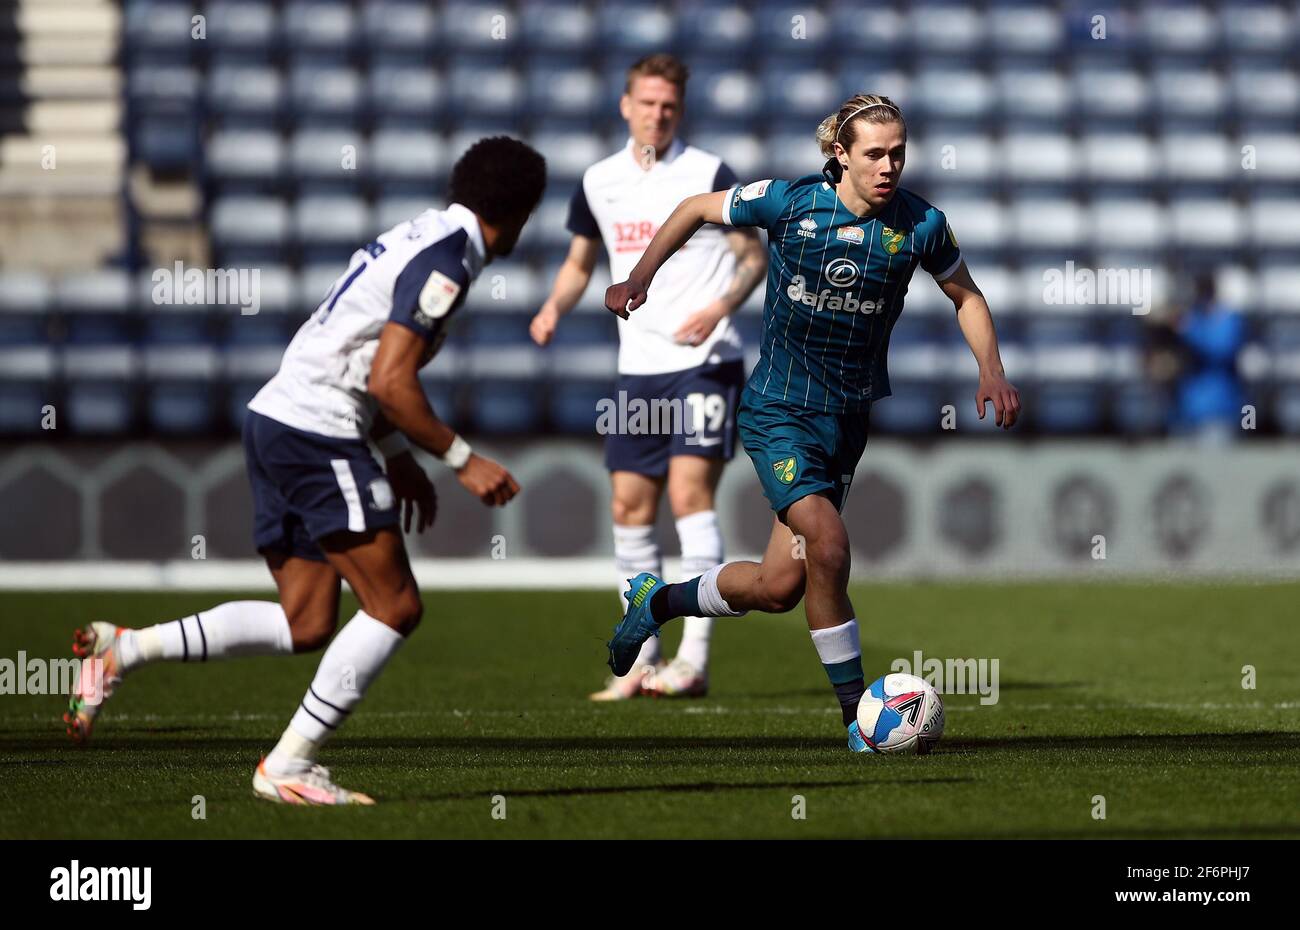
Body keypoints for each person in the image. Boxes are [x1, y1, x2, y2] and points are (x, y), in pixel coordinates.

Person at [65, 137, 547, 803]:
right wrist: (462, 460)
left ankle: (124, 650)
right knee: (395, 605)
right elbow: (389, 380)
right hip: (318, 431)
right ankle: (288, 765)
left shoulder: (422, 234)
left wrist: (401, 458)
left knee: (308, 620)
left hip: (275, 418)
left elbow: (359, 354)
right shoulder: (450, 260)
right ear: (524, 211)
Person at [602, 94, 1021, 751]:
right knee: (828, 543)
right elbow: (692, 209)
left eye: (898, 153)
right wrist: (638, 277)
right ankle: (858, 720)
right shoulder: (790, 202)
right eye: (875, 154)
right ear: (841, 155)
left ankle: (656, 601)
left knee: (779, 587)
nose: (889, 166)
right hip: (778, 412)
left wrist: (990, 370)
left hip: (847, 421)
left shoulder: (922, 224)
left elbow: (965, 294)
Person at [530, 54, 766, 700]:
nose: (657, 114)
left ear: (679, 111)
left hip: (706, 358)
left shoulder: (709, 173)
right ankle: (639, 659)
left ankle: (693, 657)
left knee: (690, 495)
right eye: (647, 102)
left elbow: (753, 256)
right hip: (638, 369)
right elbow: (582, 260)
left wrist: (721, 305)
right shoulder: (598, 181)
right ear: (625, 105)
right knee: (630, 507)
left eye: (669, 105)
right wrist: (553, 306)